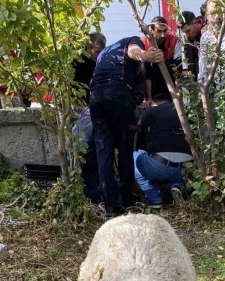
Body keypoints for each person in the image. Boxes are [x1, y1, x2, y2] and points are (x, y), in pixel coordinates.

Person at [90, 37, 163, 219]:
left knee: (104, 151)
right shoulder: (132, 40)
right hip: (118, 93)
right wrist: (145, 55)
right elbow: (133, 52)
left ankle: (111, 206)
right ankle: (126, 198)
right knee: (125, 149)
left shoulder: (103, 55)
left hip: (95, 97)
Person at [134, 92, 193, 208]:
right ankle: (178, 186)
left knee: (135, 156)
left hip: (160, 167)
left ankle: (154, 199)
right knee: (179, 171)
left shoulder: (149, 112)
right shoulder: (186, 112)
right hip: (187, 169)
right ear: (170, 101)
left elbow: (142, 145)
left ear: (154, 103)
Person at [141, 16, 182, 106]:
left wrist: (177, 94)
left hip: (169, 70)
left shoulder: (175, 40)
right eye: (159, 31)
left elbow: (178, 69)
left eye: (165, 31)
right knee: (145, 67)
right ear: (151, 31)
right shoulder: (144, 41)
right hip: (152, 76)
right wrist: (148, 98)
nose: (163, 35)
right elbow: (145, 73)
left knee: (173, 66)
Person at [74, 32, 106, 105]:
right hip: (77, 101)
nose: (100, 55)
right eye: (97, 52)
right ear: (88, 48)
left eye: (102, 52)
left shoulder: (96, 61)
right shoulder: (78, 60)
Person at [179, 11, 204, 79]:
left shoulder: (208, 32)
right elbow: (185, 66)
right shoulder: (186, 41)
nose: (186, 35)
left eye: (188, 31)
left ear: (195, 23)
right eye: (184, 32)